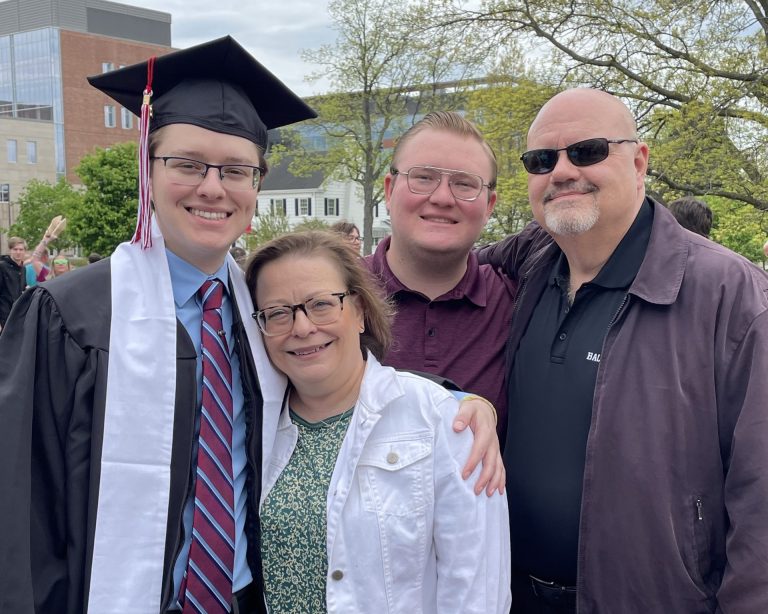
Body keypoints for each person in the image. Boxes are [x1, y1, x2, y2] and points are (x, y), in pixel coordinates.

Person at [0, 37, 500, 614]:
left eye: (236, 169)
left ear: (257, 185)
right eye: (187, 164)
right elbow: (19, 514)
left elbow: (338, 382)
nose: (213, 187)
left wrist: (458, 404)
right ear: (148, 168)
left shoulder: (260, 314)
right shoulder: (69, 317)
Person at [479, 88, 768, 612]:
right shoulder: (533, 263)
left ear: (639, 162)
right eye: (541, 160)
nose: (562, 171)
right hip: (513, 593)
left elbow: (761, 492)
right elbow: (442, 261)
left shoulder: (729, 293)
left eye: (587, 151)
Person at [245, 230, 511, 613]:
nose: (301, 327)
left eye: (321, 305)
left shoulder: (441, 421)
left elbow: (477, 589)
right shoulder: (255, 429)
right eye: (277, 313)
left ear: (359, 311)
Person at [366, 111, 516, 431]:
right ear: (390, 190)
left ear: (489, 205)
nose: (443, 198)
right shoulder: (332, 297)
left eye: (464, 184)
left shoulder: (519, 303)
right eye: (423, 177)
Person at [0, 236, 27, 331]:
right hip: (4, 315)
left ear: (24, 251)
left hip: (17, 314)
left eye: (21, 249)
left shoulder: (23, 269)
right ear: (10, 250)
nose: (18, 252)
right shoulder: (2, 267)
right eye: (15, 249)